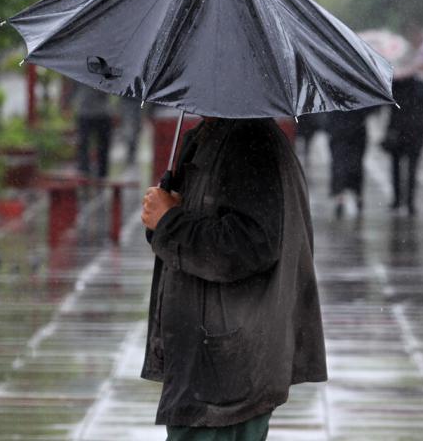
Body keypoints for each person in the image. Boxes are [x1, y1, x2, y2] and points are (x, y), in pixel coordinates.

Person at [139, 117, 327, 439]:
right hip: (207, 362)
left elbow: (251, 244)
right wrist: (167, 214)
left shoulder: (249, 142)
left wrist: (170, 221)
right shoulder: (214, 134)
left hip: (226, 368)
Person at [382, 73, 423, 215]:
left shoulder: (393, 87)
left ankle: (398, 200)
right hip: (414, 132)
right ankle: (409, 202)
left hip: (398, 131)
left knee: (397, 168)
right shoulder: (421, 86)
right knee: (411, 169)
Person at [324, 107, 370, 218]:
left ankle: (342, 197)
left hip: (341, 133)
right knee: (353, 166)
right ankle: (355, 196)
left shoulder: (333, 100)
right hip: (353, 133)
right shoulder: (358, 99)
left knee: (341, 166)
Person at [74, 84, 114, 178]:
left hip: (102, 113)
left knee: (102, 145)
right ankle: (84, 171)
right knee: (84, 143)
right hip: (86, 112)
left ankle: (101, 173)